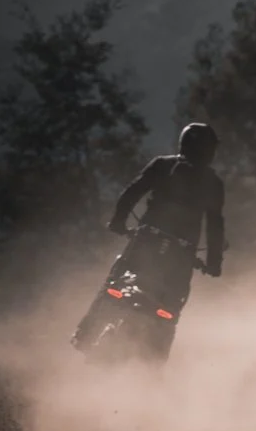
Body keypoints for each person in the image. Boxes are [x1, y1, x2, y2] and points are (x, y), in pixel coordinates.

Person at [70, 122, 226, 352]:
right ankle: (156, 360)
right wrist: (213, 263)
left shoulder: (162, 165)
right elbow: (215, 225)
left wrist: (118, 221)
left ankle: (85, 335)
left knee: (115, 282)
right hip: (182, 255)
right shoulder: (214, 183)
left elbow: (132, 192)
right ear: (210, 151)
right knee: (171, 306)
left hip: (147, 241)